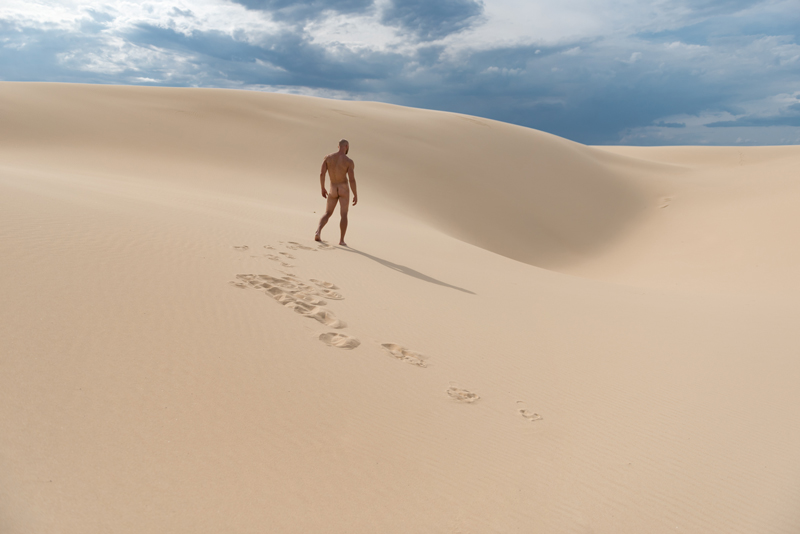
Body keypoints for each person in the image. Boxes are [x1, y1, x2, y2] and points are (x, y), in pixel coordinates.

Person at [315, 139, 358, 246]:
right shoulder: (348, 161)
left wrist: (322, 188)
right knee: (343, 215)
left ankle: (318, 231)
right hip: (343, 189)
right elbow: (352, 179)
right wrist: (355, 194)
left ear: (338, 146)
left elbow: (322, 173)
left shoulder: (328, 158)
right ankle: (341, 240)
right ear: (346, 146)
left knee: (327, 213)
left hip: (332, 188)